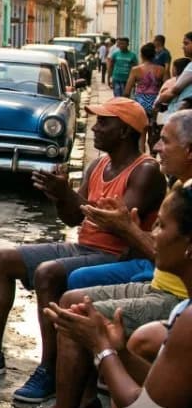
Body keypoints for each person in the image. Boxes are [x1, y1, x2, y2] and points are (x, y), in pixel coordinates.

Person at [0, 98, 166, 399]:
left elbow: (112, 222)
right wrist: (60, 197)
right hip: (86, 246)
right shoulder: (98, 164)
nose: (96, 128)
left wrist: (69, 196)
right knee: (2, 260)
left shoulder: (145, 171)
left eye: (104, 123)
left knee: (48, 274)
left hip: (118, 254)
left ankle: (49, 369)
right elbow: (73, 218)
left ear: (125, 131)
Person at [12, 184, 192, 408]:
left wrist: (102, 348)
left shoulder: (188, 321)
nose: (153, 235)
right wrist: (120, 353)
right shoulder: (184, 311)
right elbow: (166, 391)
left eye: (162, 226)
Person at [67, 110, 192, 293]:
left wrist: (129, 230)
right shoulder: (180, 184)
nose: (156, 147)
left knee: (68, 287)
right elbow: (72, 218)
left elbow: (166, 256)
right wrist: (61, 194)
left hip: (168, 286)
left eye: (165, 141)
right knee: (76, 278)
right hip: (149, 270)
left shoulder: (149, 171)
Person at [126, 43, 168, 151]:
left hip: (140, 103)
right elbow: (167, 87)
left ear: (141, 55)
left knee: (141, 133)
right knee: (154, 131)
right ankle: (153, 156)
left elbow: (127, 91)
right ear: (154, 55)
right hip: (155, 103)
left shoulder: (135, 70)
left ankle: (142, 157)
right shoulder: (161, 70)